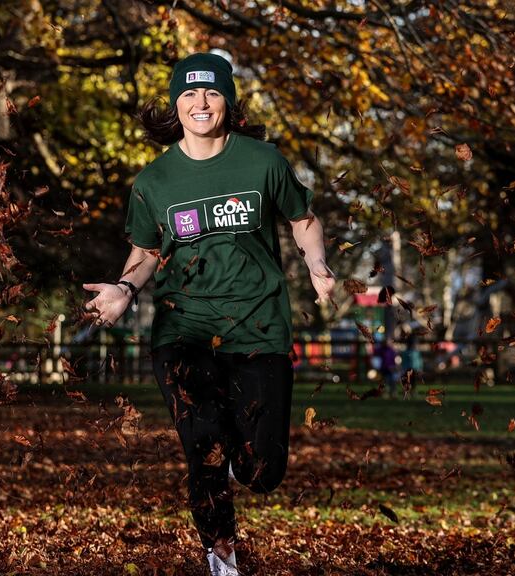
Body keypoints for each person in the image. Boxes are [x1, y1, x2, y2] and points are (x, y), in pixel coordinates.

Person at [82, 52, 335, 576]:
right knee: (204, 445)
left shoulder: (263, 161)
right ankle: (223, 558)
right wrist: (125, 289)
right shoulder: (154, 182)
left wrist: (317, 263)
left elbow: (303, 218)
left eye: (212, 93)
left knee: (263, 470)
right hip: (184, 328)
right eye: (190, 94)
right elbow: (147, 251)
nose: (201, 103)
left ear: (228, 101)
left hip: (259, 326)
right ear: (177, 104)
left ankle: (249, 468)